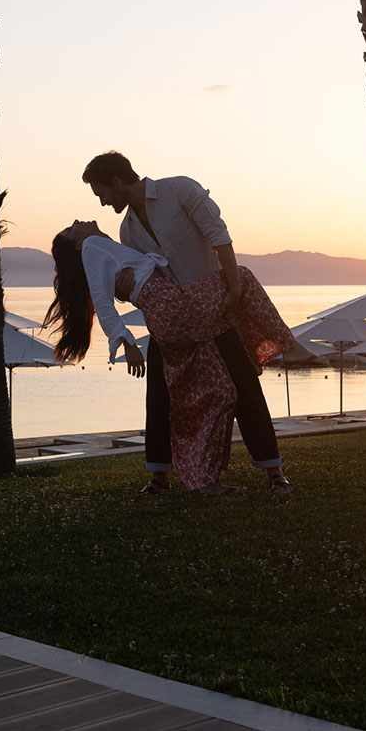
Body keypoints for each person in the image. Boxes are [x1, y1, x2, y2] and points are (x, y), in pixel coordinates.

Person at [81, 152, 292, 496]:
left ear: (117, 181)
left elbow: (219, 235)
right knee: (160, 398)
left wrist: (235, 288)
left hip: (216, 312)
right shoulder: (127, 231)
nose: (104, 202)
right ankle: (159, 478)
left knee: (245, 390)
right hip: (175, 324)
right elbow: (144, 279)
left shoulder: (179, 191)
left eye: (102, 193)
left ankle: (274, 472)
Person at [46, 220, 296, 496]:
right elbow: (104, 298)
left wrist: (131, 285)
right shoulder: (97, 245)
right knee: (241, 279)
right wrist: (126, 340)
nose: (77, 221)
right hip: (178, 310)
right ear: (79, 244)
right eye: (71, 229)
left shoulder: (121, 239)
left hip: (175, 312)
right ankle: (287, 345)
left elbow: (126, 276)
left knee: (224, 391)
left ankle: (204, 478)